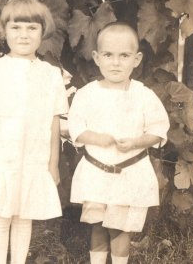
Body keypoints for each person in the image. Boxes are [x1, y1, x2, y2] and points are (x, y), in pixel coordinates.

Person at [0, 0, 68, 264]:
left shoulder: (51, 74)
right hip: (0, 158)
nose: (24, 35)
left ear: (43, 32)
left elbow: (54, 122)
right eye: (16, 27)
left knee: (23, 215)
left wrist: (53, 163)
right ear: (3, 30)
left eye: (32, 28)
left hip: (33, 159)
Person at [68, 22, 170, 264]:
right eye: (108, 55)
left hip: (129, 172)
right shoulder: (87, 94)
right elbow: (76, 128)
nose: (115, 63)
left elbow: (158, 130)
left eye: (124, 56)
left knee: (120, 227)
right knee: (98, 225)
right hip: (97, 171)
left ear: (137, 59)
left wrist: (136, 142)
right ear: (96, 58)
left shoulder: (144, 95)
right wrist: (97, 138)